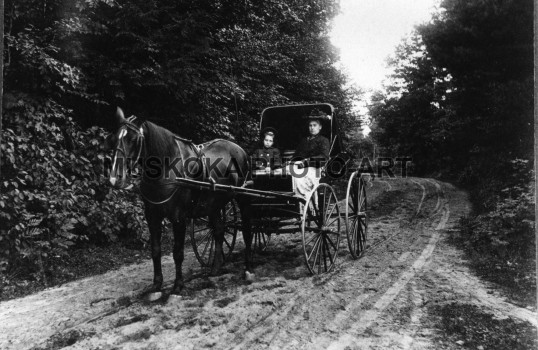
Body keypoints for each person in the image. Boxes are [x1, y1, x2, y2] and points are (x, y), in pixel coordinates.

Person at [286, 109, 331, 197]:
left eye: (314, 125)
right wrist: (290, 162)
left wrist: (306, 161)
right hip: (299, 166)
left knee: (298, 177)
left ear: (320, 127)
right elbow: (297, 155)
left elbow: (324, 157)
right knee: (284, 172)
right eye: (310, 125)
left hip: (315, 168)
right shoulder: (304, 141)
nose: (312, 128)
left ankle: (303, 199)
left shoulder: (323, 140)